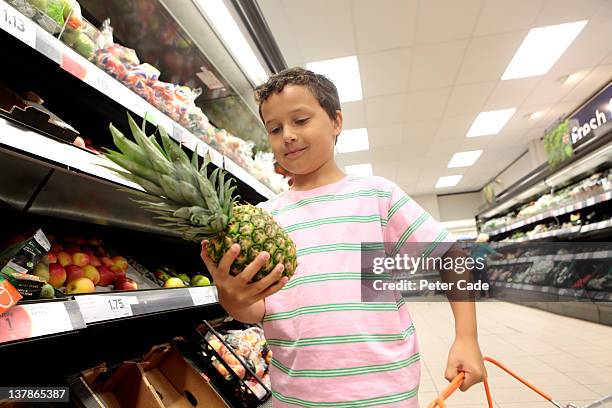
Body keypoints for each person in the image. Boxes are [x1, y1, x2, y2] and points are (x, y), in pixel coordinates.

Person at [200, 67, 486, 407]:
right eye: (275, 129)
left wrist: (467, 338)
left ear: (336, 122)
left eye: (301, 120)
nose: (287, 135)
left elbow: (451, 255)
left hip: (385, 393)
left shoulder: (376, 196)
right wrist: (231, 297)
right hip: (298, 397)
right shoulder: (266, 217)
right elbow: (258, 310)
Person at [470, 233, 502, 298]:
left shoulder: (474, 245)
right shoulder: (484, 245)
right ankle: (487, 294)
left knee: (476, 279)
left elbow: (471, 254)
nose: (487, 240)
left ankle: (477, 295)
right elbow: (493, 252)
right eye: (486, 239)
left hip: (473, 263)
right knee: (485, 278)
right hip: (481, 263)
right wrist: (501, 255)